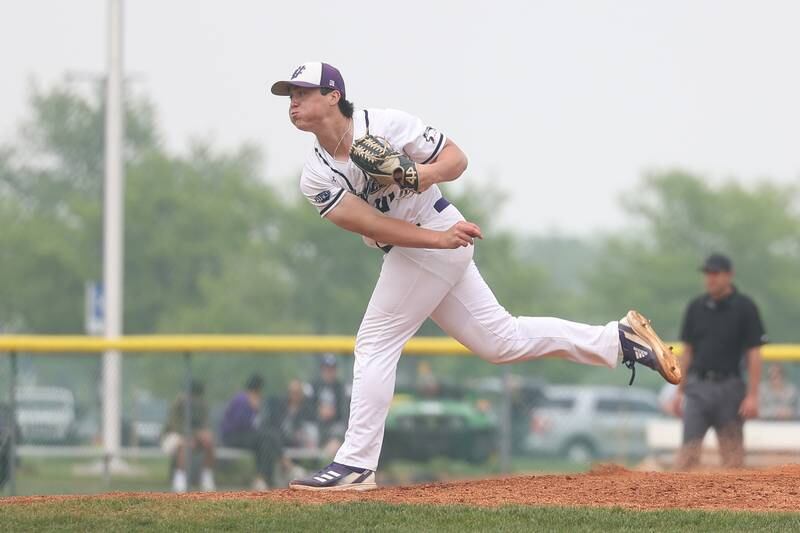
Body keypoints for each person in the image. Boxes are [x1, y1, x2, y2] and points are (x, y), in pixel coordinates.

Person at [270, 62, 680, 491]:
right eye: (289, 95)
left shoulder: (387, 124)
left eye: (302, 91)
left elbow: (456, 160)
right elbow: (369, 225)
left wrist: (417, 175)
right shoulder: (315, 174)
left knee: (375, 343)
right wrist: (436, 240)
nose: (293, 101)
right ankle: (618, 340)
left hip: (438, 236)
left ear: (333, 95)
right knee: (503, 341)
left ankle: (355, 464)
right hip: (429, 244)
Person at [672, 253, 766, 469]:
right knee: (688, 453)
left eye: (715, 273)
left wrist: (752, 395)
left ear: (729, 275)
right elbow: (687, 351)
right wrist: (678, 390)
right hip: (698, 387)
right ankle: (681, 501)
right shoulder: (696, 307)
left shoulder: (745, 307)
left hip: (730, 388)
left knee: (732, 457)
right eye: (707, 273)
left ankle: (734, 502)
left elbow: (754, 353)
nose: (710, 278)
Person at [219, 374, 281, 490]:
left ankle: (262, 479)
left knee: (266, 442)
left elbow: (257, 425)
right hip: (232, 436)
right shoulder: (242, 399)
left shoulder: (251, 400)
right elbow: (240, 424)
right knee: (266, 437)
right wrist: (252, 408)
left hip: (244, 436)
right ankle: (284, 464)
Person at [161, 380, 215, 493]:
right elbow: (175, 426)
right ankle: (180, 481)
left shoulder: (202, 405)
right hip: (172, 436)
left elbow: (205, 425)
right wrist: (193, 435)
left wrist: (203, 434)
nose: (194, 399)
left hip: (194, 438)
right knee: (183, 444)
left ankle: (206, 478)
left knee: (209, 442)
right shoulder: (178, 403)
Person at [310, 354, 348, 456]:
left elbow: (344, 411)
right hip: (316, 423)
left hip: (335, 425)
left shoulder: (340, 388)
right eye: (326, 369)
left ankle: (324, 461)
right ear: (322, 370)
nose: (329, 372)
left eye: (331, 369)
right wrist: (319, 410)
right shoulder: (314, 386)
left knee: (339, 432)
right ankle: (311, 463)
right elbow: (307, 408)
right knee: (310, 431)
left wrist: (333, 412)